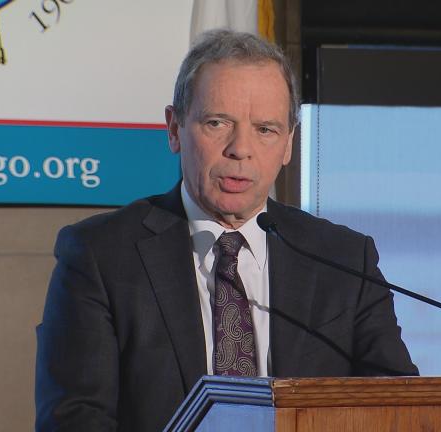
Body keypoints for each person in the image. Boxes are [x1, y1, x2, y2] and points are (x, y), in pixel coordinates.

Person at [35, 29, 417, 431]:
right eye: (218, 123)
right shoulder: (100, 256)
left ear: (288, 144)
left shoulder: (344, 260)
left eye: (265, 129)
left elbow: (398, 406)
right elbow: (74, 421)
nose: (241, 148)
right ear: (174, 128)